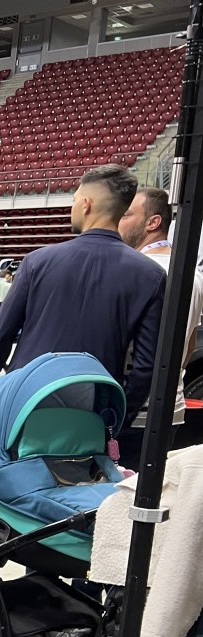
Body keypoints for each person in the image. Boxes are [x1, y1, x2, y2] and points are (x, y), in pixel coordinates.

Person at [0, 164, 166, 439]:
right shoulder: (151, 275)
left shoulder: (37, 261)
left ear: (86, 204)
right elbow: (147, 366)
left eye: (74, 200)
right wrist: (117, 420)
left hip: (24, 404)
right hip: (92, 412)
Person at [115, 185, 202, 467]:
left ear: (153, 222)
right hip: (171, 409)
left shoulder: (134, 269)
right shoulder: (192, 274)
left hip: (129, 410)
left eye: (126, 215)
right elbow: (189, 345)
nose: (117, 221)